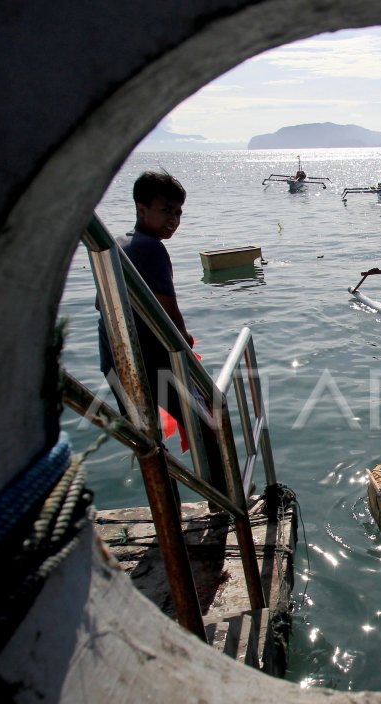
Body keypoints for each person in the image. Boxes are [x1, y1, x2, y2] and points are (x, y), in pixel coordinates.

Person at [97, 170, 229, 499]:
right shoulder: (151, 249)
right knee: (208, 424)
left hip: (115, 362)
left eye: (179, 212)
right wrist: (185, 343)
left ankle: (167, 511)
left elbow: (104, 306)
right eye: (166, 210)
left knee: (149, 445)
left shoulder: (119, 244)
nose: (174, 219)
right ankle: (225, 505)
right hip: (150, 362)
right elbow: (169, 314)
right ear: (142, 209)